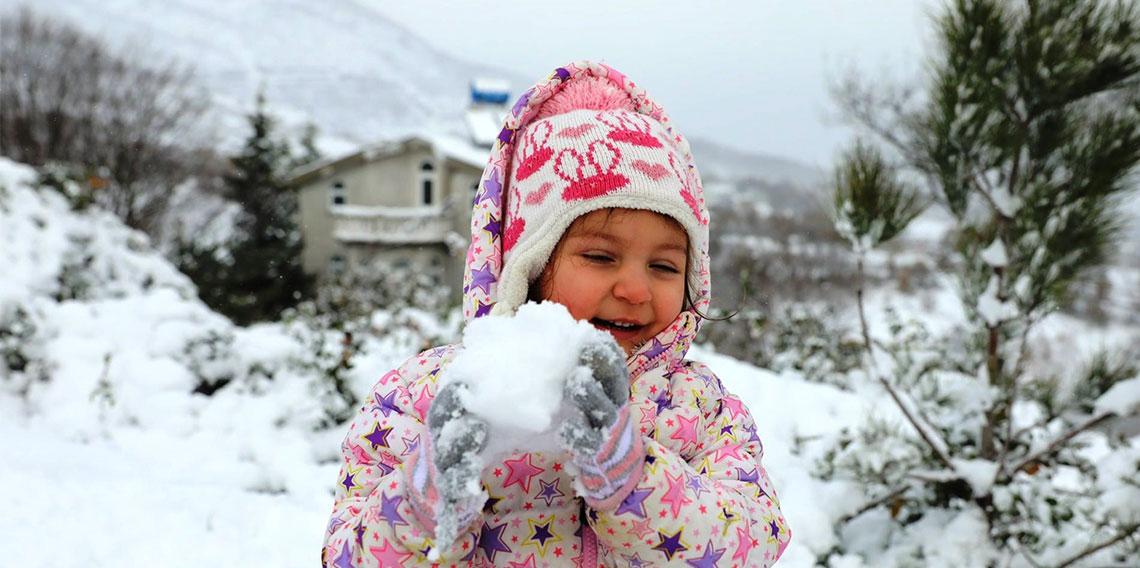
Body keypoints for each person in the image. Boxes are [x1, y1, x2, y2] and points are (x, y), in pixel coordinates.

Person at [322, 60, 790, 567]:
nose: (635, 288)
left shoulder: (699, 409)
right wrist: (427, 491)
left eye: (663, 265)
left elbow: (751, 544)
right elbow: (347, 558)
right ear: (529, 265)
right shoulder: (424, 396)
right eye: (600, 257)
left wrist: (631, 476)